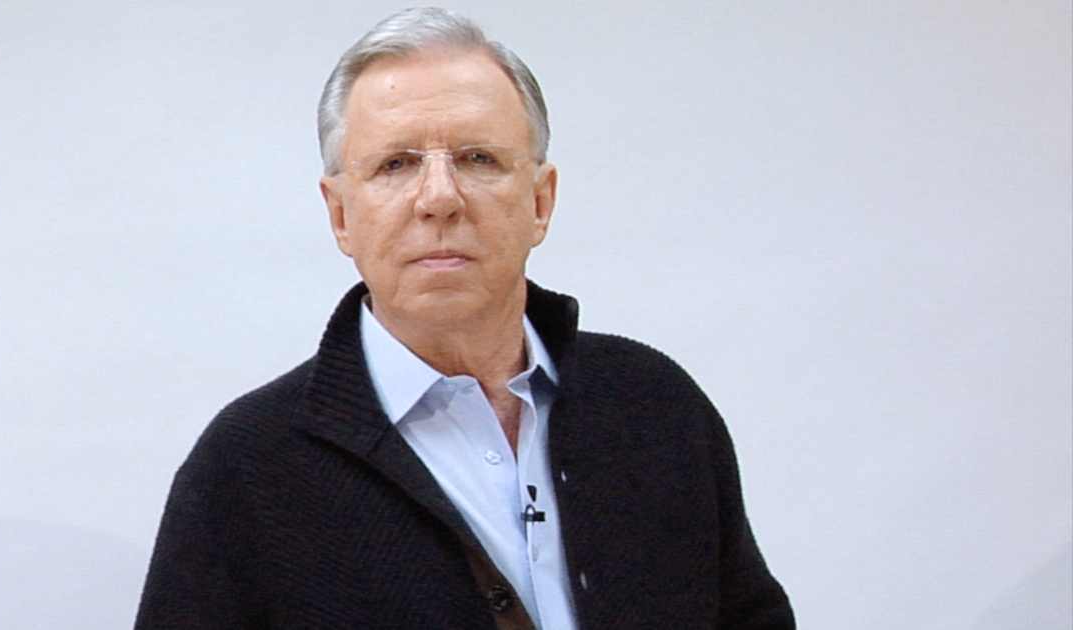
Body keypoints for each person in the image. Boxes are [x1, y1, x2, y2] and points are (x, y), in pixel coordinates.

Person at [135, 7, 794, 629]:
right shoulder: (246, 469)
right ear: (340, 216)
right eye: (396, 164)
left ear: (540, 202)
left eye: (478, 159)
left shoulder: (656, 407)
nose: (440, 198)